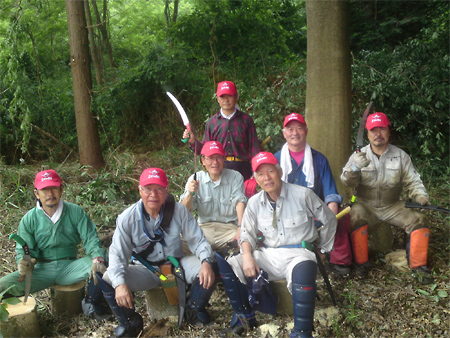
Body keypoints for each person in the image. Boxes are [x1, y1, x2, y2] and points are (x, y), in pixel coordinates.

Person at [216, 152, 337, 337]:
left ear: (279, 171)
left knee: (304, 270)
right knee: (227, 261)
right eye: (261, 174)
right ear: (255, 178)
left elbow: (329, 219)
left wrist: (323, 249)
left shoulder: (303, 194)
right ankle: (244, 316)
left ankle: (302, 331)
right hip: (269, 254)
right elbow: (247, 233)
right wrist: (247, 255)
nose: (267, 178)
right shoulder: (255, 202)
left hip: (299, 254)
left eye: (271, 171)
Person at [97, 167, 216, 337]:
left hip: (176, 265)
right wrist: (120, 285)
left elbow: (198, 240)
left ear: (166, 191)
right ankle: (130, 321)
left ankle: (194, 310)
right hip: (146, 270)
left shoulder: (179, 210)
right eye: (148, 189)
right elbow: (117, 254)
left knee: (209, 266)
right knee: (110, 278)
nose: (153, 194)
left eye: (159, 189)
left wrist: (206, 261)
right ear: (140, 190)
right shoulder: (127, 218)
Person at [0, 169, 109, 320]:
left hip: (70, 266)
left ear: (61, 189)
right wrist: (24, 261)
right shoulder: (29, 219)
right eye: (44, 190)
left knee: (104, 262)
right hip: (41, 270)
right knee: (4, 285)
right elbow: (25, 249)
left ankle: (92, 304)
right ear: (36, 193)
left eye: (54, 188)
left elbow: (91, 239)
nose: (50, 194)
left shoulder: (75, 212)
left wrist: (97, 258)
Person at [341, 112, 432, 283]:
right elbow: (346, 181)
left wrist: (420, 197)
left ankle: (418, 266)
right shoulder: (359, 155)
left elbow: (413, 181)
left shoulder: (400, 156)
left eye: (381, 129)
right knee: (354, 214)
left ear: (388, 131)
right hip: (366, 206)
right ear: (367, 134)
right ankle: (361, 264)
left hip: (392, 206)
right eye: (373, 130)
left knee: (419, 219)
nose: (378, 134)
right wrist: (354, 167)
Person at [274, 113, 350, 276]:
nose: (295, 133)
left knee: (340, 218)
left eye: (299, 128)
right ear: (284, 133)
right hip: (284, 214)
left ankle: (332, 259)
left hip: (312, 214)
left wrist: (331, 217)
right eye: (290, 129)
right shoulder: (275, 160)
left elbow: (331, 195)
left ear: (306, 131)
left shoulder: (320, 160)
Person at [182, 81, 261, 180]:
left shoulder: (246, 120)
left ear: (236, 97)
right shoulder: (211, 123)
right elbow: (205, 151)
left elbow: (255, 148)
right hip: (219, 168)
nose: (226, 100)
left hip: (242, 168)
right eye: (222, 97)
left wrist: (257, 169)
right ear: (218, 99)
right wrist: (193, 141)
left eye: (230, 96)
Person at [180, 141, 247, 250]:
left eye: (218, 157)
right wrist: (190, 194)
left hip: (229, 230)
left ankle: (222, 258)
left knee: (247, 242)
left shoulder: (235, 177)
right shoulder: (195, 178)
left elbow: (239, 201)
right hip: (203, 230)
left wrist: (240, 229)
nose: (215, 162)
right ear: (203, 161)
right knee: (176, 241)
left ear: (223, 159)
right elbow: (184, 211)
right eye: (210, 158)